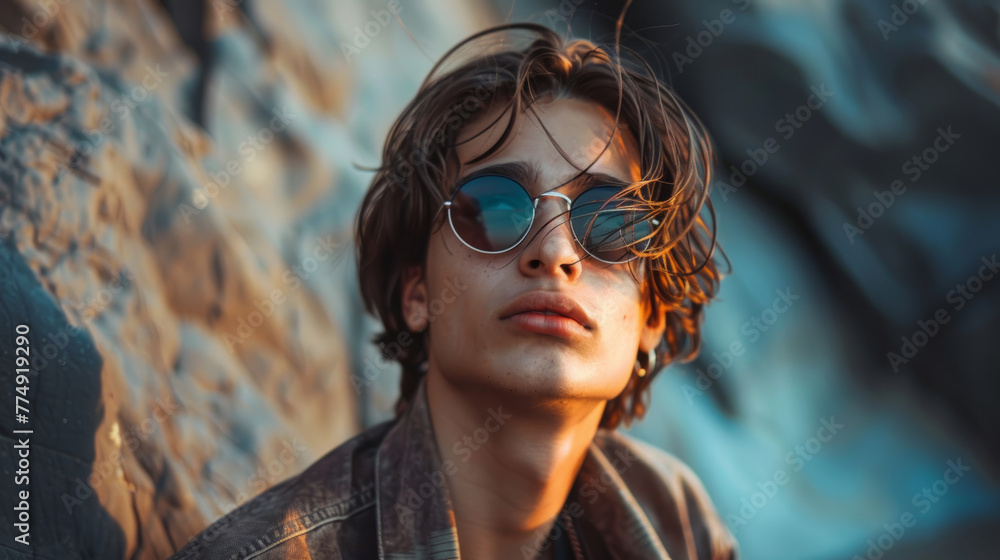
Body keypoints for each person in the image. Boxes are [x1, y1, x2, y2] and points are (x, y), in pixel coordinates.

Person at [170, 22, 737, 560]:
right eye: (495, 208)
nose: (556, 253)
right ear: (417, 291)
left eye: (609, 222)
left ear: (652, 319)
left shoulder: (677, 519)